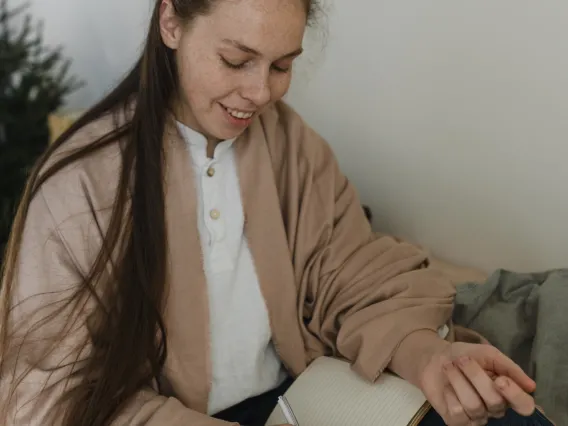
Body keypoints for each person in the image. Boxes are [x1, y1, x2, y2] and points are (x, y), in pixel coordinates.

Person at [0, 1, 539, 425]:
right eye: (236, 60)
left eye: (282, 65)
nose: (260, 93)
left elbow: (351, 273)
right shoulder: (78, 185)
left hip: (300, 397)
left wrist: (425, 355)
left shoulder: (289, 143)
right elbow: (51, 393)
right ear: (171, 21)